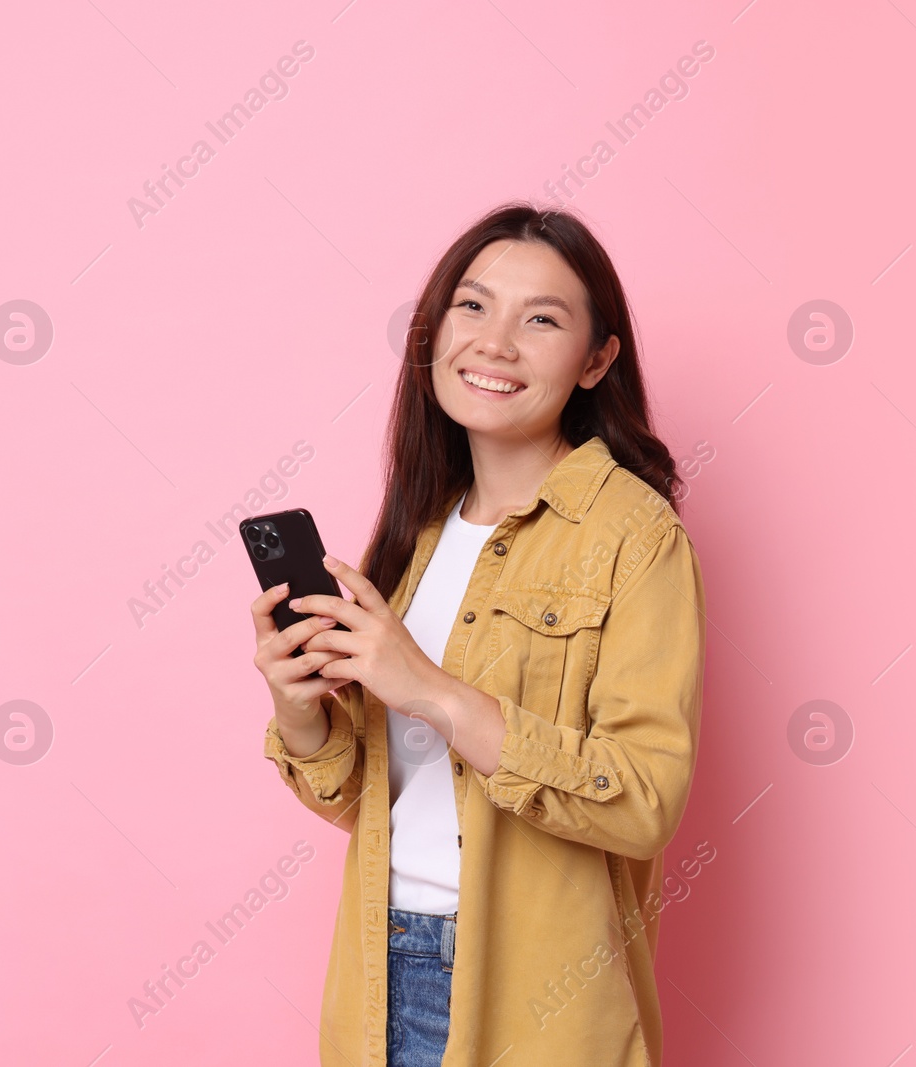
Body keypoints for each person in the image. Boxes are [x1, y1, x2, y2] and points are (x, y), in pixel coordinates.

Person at [252, 201, 708, 1066]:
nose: (494, 342)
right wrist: (301, 708)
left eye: (541, 319)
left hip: (532, 997)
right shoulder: (421, 531)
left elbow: (645, 798)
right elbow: (378, 801)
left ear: (596, 360)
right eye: (473, 305)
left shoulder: (635, 536)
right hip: (378, 976)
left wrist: (429, 687)